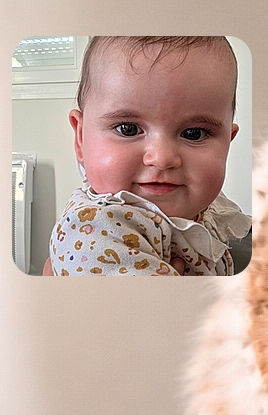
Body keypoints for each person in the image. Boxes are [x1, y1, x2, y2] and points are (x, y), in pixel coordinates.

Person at [48, 36, 250, 277]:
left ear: (228, 140)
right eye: (128, 129)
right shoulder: (97, 231)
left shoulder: (210, 208)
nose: (162, 159)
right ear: (81, 138)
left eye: (194, 133)